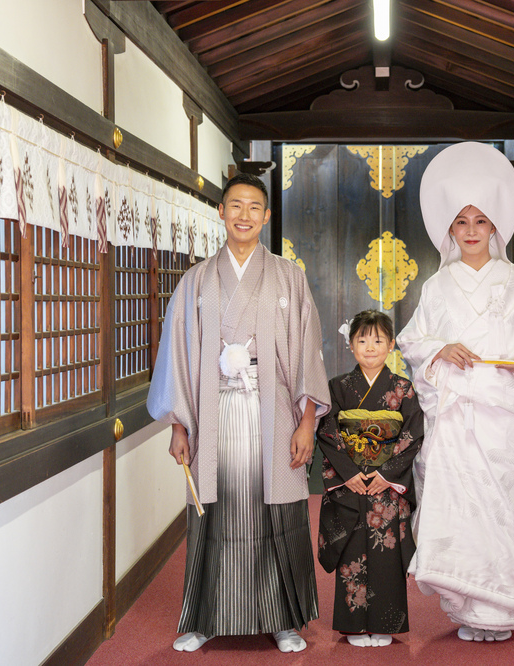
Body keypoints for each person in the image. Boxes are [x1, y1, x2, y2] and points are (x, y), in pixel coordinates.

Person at [147, 172, 331, 654]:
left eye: (253, 207)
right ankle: (208, 617)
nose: (244, 215)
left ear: (266, 216)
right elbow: (178, 356)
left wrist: (307, 422)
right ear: (222, 212)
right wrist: (179, 426)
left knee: (278, 512)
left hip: (275, 410)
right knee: (217, 512)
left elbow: (308, 350)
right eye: (235, 206)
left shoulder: (289, 276)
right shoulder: (197, 280)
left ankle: (283, 618)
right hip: (214, 412)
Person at [396, 142, 514, 643]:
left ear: (495, 228)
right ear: (450, 230)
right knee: (460, 511)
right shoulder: (437, 287)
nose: (471, 231)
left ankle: (499, 611)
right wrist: (441, 349)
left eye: (481, 222)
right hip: (455, 416)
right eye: (462, 222)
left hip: (505, 417)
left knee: (502, 509)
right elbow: (413, 341)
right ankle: (465, 606)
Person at [315, 310, 424, 648]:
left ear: (391, 345)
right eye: (362, 340)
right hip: (351, 483)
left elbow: (412, 436)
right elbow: (328, 432)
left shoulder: (403, 389)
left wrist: (385, 474)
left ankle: (385, 623)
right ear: (351, 345)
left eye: (378, 340)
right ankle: (353, 626)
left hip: (386, 486)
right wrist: (349, 474)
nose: (370, 347)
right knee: (352, 551)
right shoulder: (337, 387)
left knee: (386, 554)